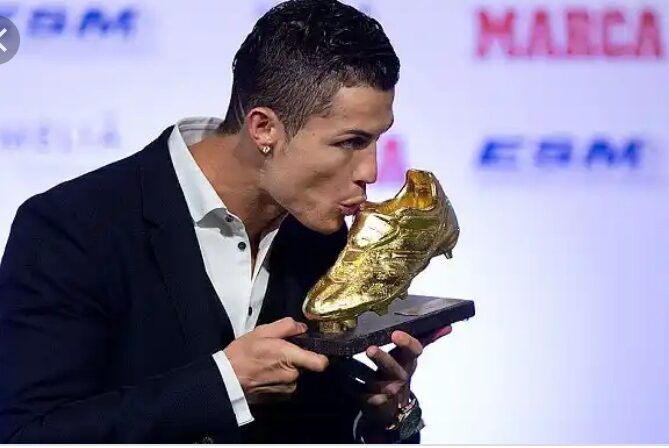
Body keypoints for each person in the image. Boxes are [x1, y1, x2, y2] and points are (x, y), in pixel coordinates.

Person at [0, 0, 451, 443]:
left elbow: (316, 425)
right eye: (351, 142)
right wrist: (224, 386)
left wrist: (383, 419)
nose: (371, 171)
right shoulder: (71, 229)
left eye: (376, 140)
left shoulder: (322, 235)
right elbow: (26, 434)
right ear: (263, 128)